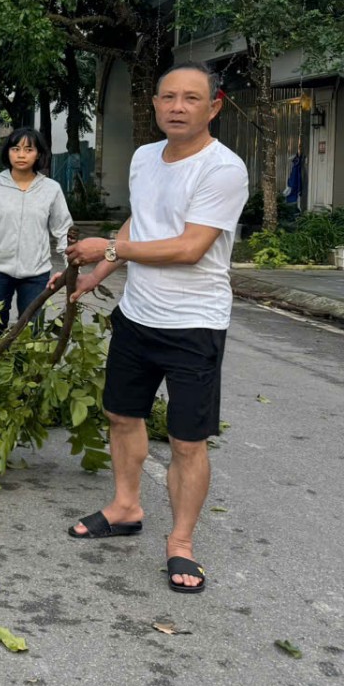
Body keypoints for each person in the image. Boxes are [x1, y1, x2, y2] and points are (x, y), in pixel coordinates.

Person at [62, 62, 248, 595]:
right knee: (121, 414)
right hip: (137, 316)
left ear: (214, 105)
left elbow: (190, 248)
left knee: (188, 440)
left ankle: (181, 543)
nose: (177, 107)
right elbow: (140, 222)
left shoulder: (222, 169)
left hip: (194, 324)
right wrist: (98, 269)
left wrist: (111, 248)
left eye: (191, 98)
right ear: (155, 104)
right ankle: (125, 505)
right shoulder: (145, 157)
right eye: (168, 97)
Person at [0, 127, 72, 336]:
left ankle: (24, 369)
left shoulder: (51, 189)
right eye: (15, 149)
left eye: (28, 149)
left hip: (36, 273)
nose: (21, 154)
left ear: (39, 154)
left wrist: (71, 267)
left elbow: (63, 230)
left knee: (31, 333)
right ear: (8, 152)